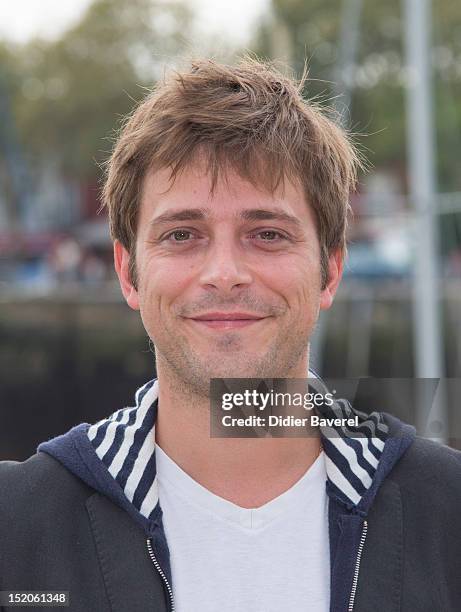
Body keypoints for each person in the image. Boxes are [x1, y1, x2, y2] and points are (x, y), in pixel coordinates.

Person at [1, 56, 460, 612]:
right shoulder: (16, 526)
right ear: (128, 272)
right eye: (182, 234)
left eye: (267, 233)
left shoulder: (447, 516)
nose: (224, 272)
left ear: (330, 270)